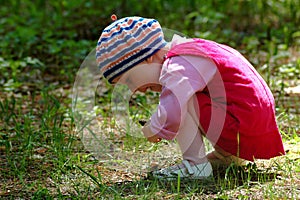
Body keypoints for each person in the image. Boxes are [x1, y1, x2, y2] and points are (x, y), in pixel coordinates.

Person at [96, 15, 285, 180]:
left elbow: (174, 103)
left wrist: (154, 128)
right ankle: (227, 156)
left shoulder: (178, 63)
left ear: (146, 58)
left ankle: (195, 166)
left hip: (243, 123)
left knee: (183, 99)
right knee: (189, 95)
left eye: (129, 80)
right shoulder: (190, 51)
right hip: (251, 122)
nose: (136, 90)